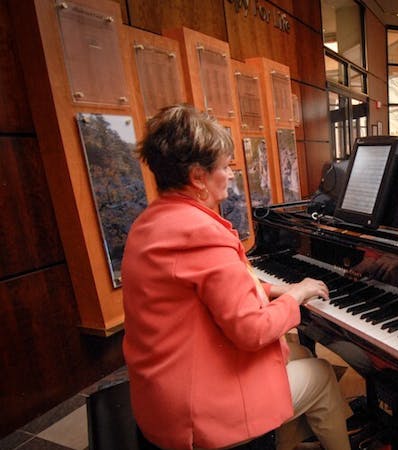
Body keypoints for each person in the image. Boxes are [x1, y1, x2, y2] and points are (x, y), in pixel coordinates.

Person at [121, 104, 352, 450]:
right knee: (320, 374)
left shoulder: (151, 221)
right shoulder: (199, 232)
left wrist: (275, 288)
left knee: (299, 354)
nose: (231, 174)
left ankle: (289, 436)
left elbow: (210, 288)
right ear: (198, 177)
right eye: (225, 167)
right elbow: (252, 330)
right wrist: (296, 296)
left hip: (162, 394)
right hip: (196, 413)